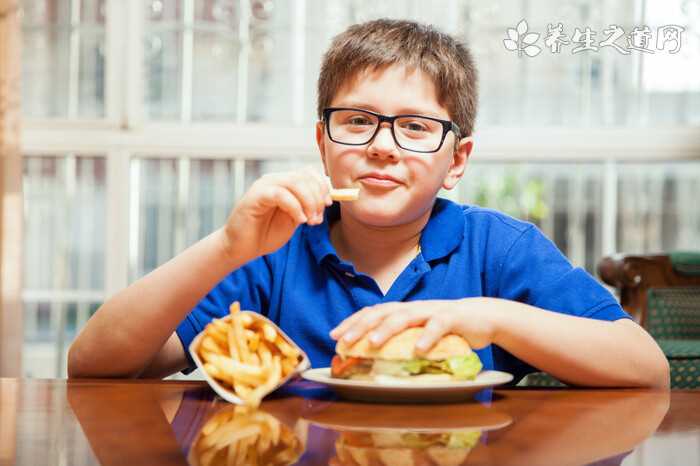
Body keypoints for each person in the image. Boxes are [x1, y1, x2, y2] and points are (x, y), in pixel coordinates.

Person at [68, 19, 669, 387]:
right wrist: (226, 247)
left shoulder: (500, 249)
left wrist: (485, 317)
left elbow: (645, 368)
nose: (382, 146)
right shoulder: (275, 249)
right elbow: (96, 364)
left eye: (413, 127)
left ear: (455, 161)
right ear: (322, 143)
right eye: (356, 122)